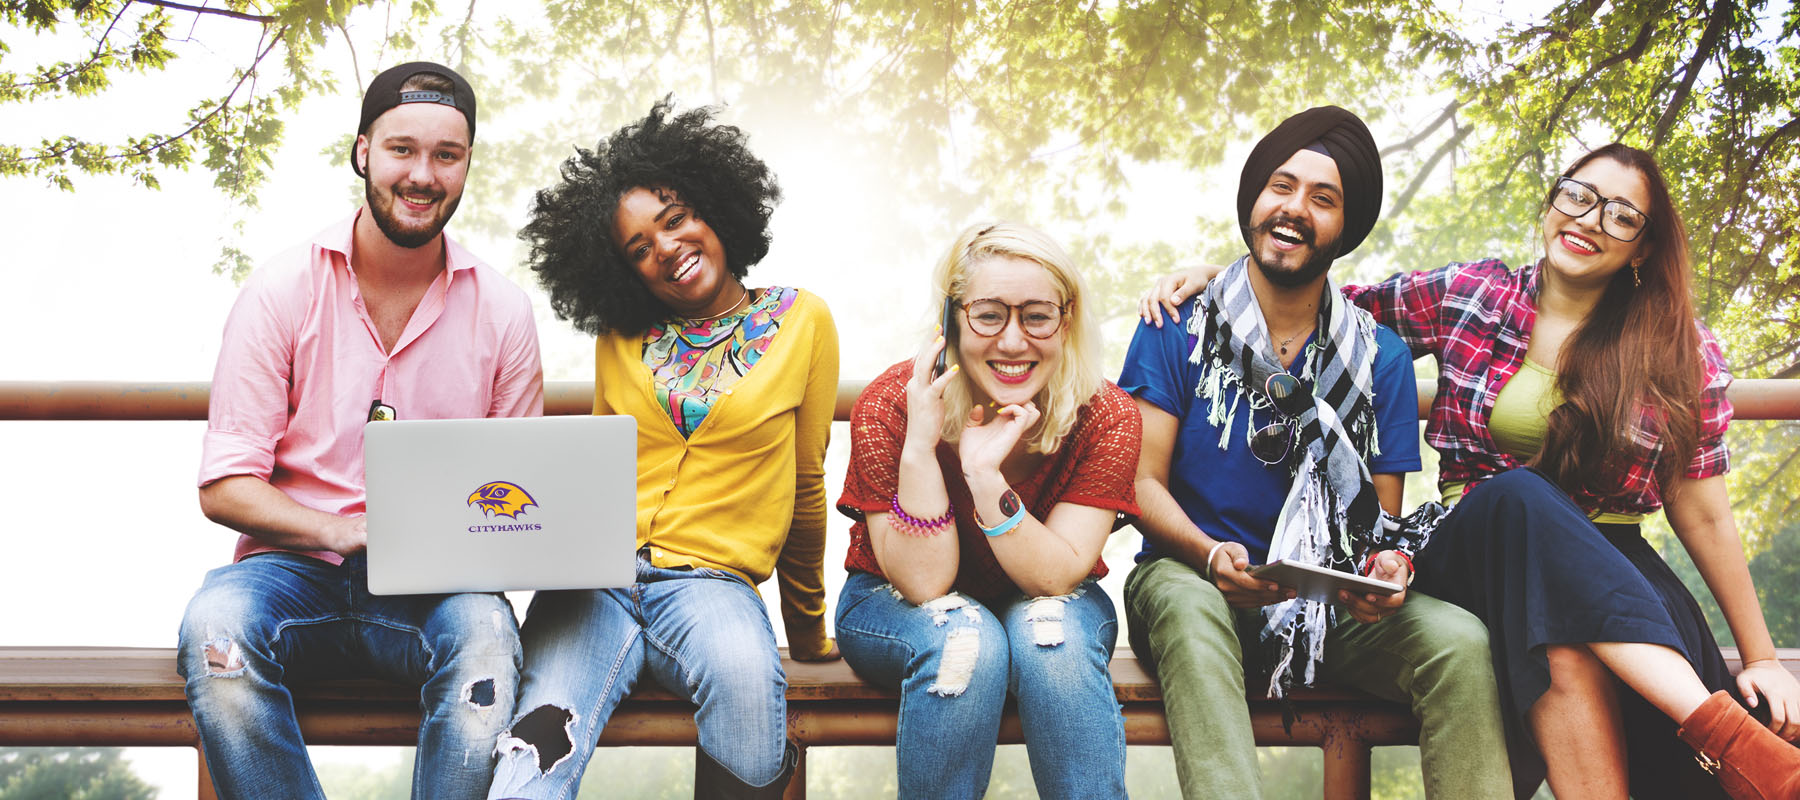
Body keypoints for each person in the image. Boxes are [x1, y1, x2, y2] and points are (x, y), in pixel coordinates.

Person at [1142, 142, 1800, 799]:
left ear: (1644, 246)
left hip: (1610, 566)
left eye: (1622, 216)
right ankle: (1723, 733)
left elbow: (1706, 511)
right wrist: (1228, 278)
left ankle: (1720, 743)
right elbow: (1326, 303)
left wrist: (1764, 658)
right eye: (1578, 195)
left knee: (1559, 635)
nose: (1591, 219)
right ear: (1552, 201)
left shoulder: (1678, 346)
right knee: (1520, 495)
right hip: (1475, 541)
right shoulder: (1471, 295)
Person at [1119, 106, 1513, 799]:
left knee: (1458, 641)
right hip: (1191, 576)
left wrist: (1384, 571)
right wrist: (1211, 554)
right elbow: (1142, 484)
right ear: (1254, 199)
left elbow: (1375, 531)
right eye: (1281, 186)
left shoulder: (1381, 358)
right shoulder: (1176, 324)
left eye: (1322, 199)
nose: (1294, 209)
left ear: (1345, 226)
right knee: (1188, 605)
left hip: (1321, 604)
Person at [176, 62, 543, 800]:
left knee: (486, 641)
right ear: (362, 152)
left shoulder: (504, 312)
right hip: (291, 573)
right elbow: (224, 486)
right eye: (403, 149)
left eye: (447, 155)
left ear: (466, 165)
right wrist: (341, 531)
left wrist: (468, 537)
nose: (423, 174)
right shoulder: (282, 290)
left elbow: (521, 503)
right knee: (215, 629)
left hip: (437, 586)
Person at [486, 100, 838, 800]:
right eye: (638, 248)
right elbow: (598, 470)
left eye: (675, 219)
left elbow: (804, 483)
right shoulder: (620, 334)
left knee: (746, 678)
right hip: (595, 583)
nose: (666, 248)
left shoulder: (803, 321)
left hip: (712, 584)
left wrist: (807, 632)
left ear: (716, 210)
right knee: (534, 748)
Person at [832, 222, 1141, 799]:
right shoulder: (889, 405)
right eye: (989, 314)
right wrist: (923, 446)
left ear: (1065, 322)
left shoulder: (1107, 415)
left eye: (1037, 316)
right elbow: (925, 583)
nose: (1013, 341)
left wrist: (982, 476)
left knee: (1054, 643)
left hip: (1047, 595)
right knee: (964, 642)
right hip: (892, 599)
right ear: (951, 320)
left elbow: (1053, 576)